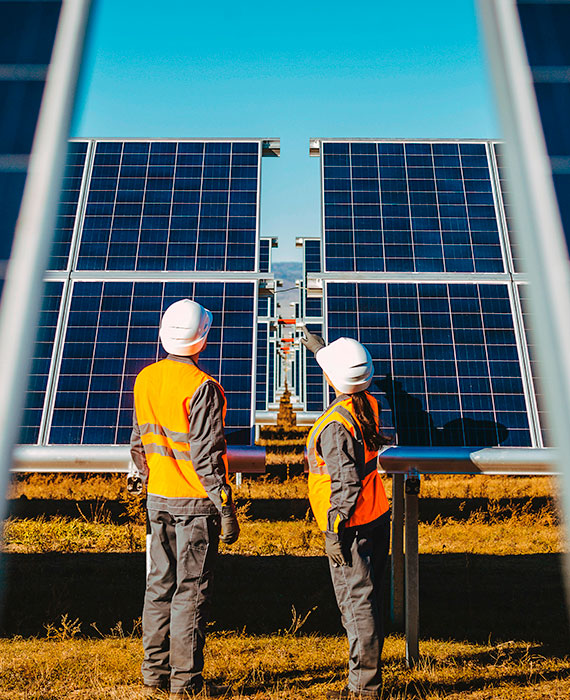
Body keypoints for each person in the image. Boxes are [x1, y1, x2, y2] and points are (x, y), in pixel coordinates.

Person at [130, 299, 240, 699]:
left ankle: (153, 674)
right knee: (190, 594)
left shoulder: (145, 378)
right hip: (194, 505)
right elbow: (207, 457)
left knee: (158, 587)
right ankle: (185, 683)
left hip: (157, 498)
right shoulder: (202, 388)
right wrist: (226, 509)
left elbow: (139, 441)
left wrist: (147, 479)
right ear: (202, 339)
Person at [302, 329, 391, 700]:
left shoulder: (336, 425)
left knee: (357, 605)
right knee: (368, 599)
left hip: (349, 525)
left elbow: (346, 483)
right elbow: (347, 376)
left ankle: (364, 690)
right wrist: (322, 351)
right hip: (373, 514)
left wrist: (333, 531)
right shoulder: (367, 403)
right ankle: (366, 681)